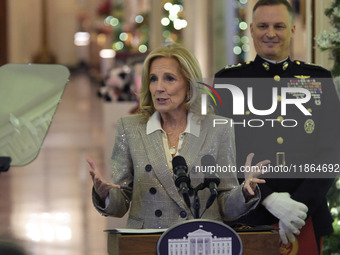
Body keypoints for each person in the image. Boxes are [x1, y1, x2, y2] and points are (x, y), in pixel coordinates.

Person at [87, 44, 269, 229]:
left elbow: (225, 205)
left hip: (200, 240)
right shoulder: (130, 128)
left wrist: (245, 192)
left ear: (189, 86)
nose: (159, 88)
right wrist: (105, 195)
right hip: (147, 242)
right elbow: (121, 201)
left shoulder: (218, 129)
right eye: (153, 79)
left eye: (169, 79)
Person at [214, 0, 340, 253]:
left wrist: (298, 207)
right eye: (263, 25)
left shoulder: (318, 78)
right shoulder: (229, 81)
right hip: (249, 217)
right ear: (251, 29)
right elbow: (224, 151)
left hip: (307, 217)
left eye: (279, 26)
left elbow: (332, 151)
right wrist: (268, 197)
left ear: (292, 29)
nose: (270, 33)